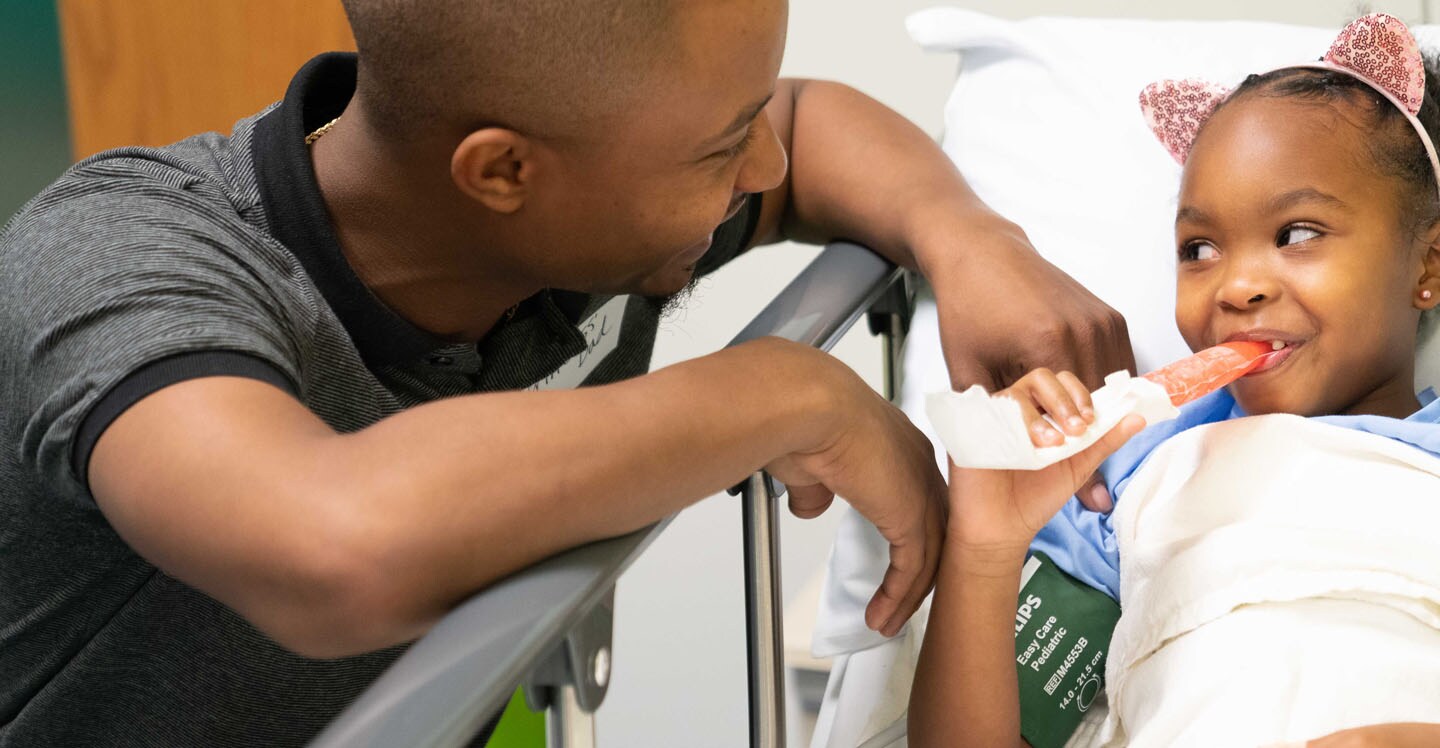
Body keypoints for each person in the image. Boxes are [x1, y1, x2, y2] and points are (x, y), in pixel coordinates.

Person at [0, 1, 1135, 746]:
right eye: (721, 142)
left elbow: (812, 124)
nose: (767, 165)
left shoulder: (574, 208)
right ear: (502, 172)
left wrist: (975, 242)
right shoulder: (121, 261)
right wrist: (786, 391)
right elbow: (333, 544)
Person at [910, 13, 1440, 748]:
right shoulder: (1121, 476)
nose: (1238, 285)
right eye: (1200, 248)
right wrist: (982, 550)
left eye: (1297, 235)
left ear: (1428, 267)